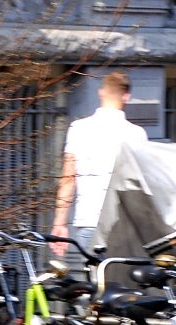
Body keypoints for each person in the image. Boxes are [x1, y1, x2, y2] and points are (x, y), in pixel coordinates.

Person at [51, 72, 148, 258]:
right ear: (127, 96)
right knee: (123, 283)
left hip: (88, 219)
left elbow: (68, 178)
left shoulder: (79, 129)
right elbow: (140, 183)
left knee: (95, 281)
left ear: (101, 92)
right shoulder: (136, 135)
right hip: (122, 221)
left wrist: (60, 223)